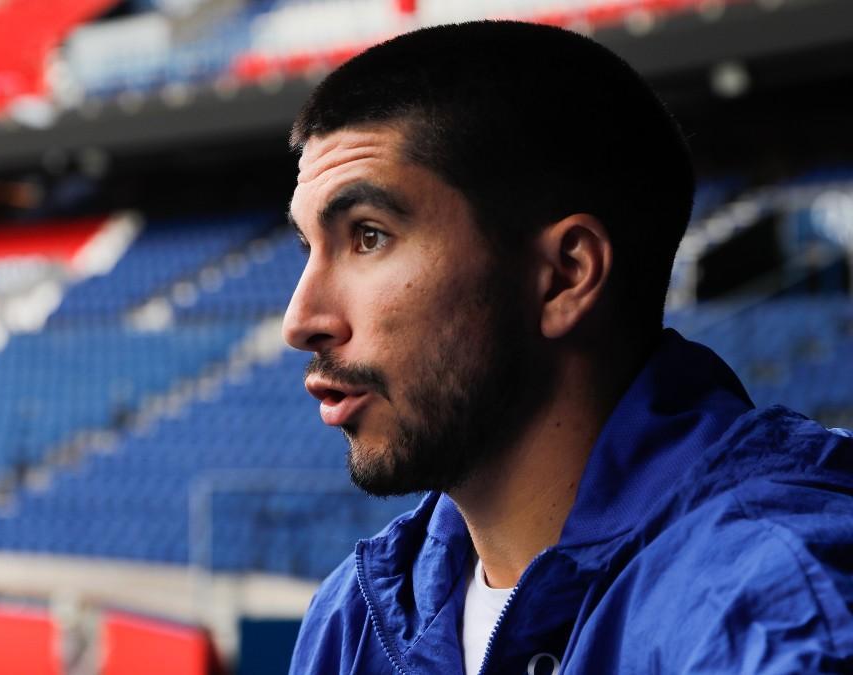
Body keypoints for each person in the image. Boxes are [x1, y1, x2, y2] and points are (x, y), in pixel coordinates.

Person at [282, 20, 853, 675]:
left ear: (565, 276)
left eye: (369, 236)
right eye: (308, 247)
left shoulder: (773, 614)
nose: (300, 320)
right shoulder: (355, 619)